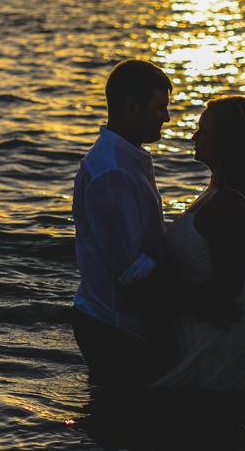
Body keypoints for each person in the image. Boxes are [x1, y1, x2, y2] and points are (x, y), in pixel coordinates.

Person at [151, 95, 245, 392]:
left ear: (226, 142)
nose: (194, 137)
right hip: (210, 324)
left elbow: (229, 286)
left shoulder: (228, 203)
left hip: (220, 332)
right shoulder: (217, 191)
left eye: (203, 132)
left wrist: (159, 296)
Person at [71, 59, 174, 387]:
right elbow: (131, 269)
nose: (167, 118)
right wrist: (197, 300)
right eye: (159, 108)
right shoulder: (112, 171)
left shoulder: (126, 159)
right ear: (131, 107)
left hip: (120, 323)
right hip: (115, 327)